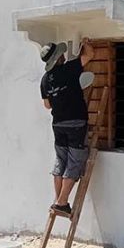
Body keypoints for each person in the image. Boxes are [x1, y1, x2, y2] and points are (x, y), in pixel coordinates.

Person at [39, 40, 95, 214]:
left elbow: (47, 105)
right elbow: (90, 55)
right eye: (60, 54)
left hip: (58, 124)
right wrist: (86, 43)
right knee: (75, 162)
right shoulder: (69, 68)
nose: (63, 55)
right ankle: (62, 201)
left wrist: (59, 97)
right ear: (57, 58)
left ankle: (59, 201)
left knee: (61, 161)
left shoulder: (45, 79)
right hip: (76, 123)